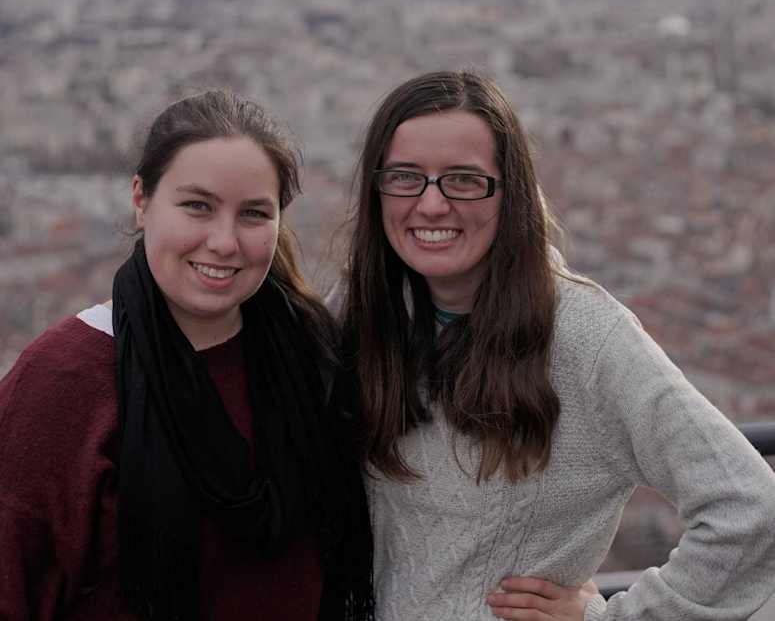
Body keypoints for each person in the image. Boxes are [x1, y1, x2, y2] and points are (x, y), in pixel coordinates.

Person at [339, 70, 775, 621]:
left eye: (464, 180)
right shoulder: (365, 314)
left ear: (511, 191)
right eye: (405, 177)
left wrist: (613, 619)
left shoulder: (584, 337)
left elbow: (753, 510)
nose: (430, 205)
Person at [0, 90, 374, 621]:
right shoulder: (63, 381)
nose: (224, 242)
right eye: (197, 206)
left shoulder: (313, 354)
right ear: (141, 199)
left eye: (253, 214)